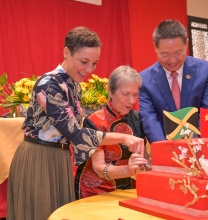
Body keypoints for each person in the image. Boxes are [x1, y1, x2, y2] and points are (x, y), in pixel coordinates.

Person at [7, 27, 146, 220]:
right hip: (40, 157)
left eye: (94, 63)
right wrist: (123, 137)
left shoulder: (74, 86)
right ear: (66, 52)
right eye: (84, 62)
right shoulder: (49, 84)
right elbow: (76, 133)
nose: (89, 70)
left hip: (60, 158)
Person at [75, 65, 150, 199]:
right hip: (95, 192)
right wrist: (128, 170)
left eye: (135, 95)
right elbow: (99, 169)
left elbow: (144, 156)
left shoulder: (137, 118)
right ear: (110, 92)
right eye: (125, 94)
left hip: (126, 190)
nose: (131, 101)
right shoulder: (94, 121)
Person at [139, 19, 208, 144]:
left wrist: (194, 147)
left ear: (186, 44)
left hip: (200, 146)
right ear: (155, 47)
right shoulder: (144, 79)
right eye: (165, 54)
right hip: (164, 147)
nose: (172, 60)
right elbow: (149, 118)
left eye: (178, 53)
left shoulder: (205, 71)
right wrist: (165, 149)